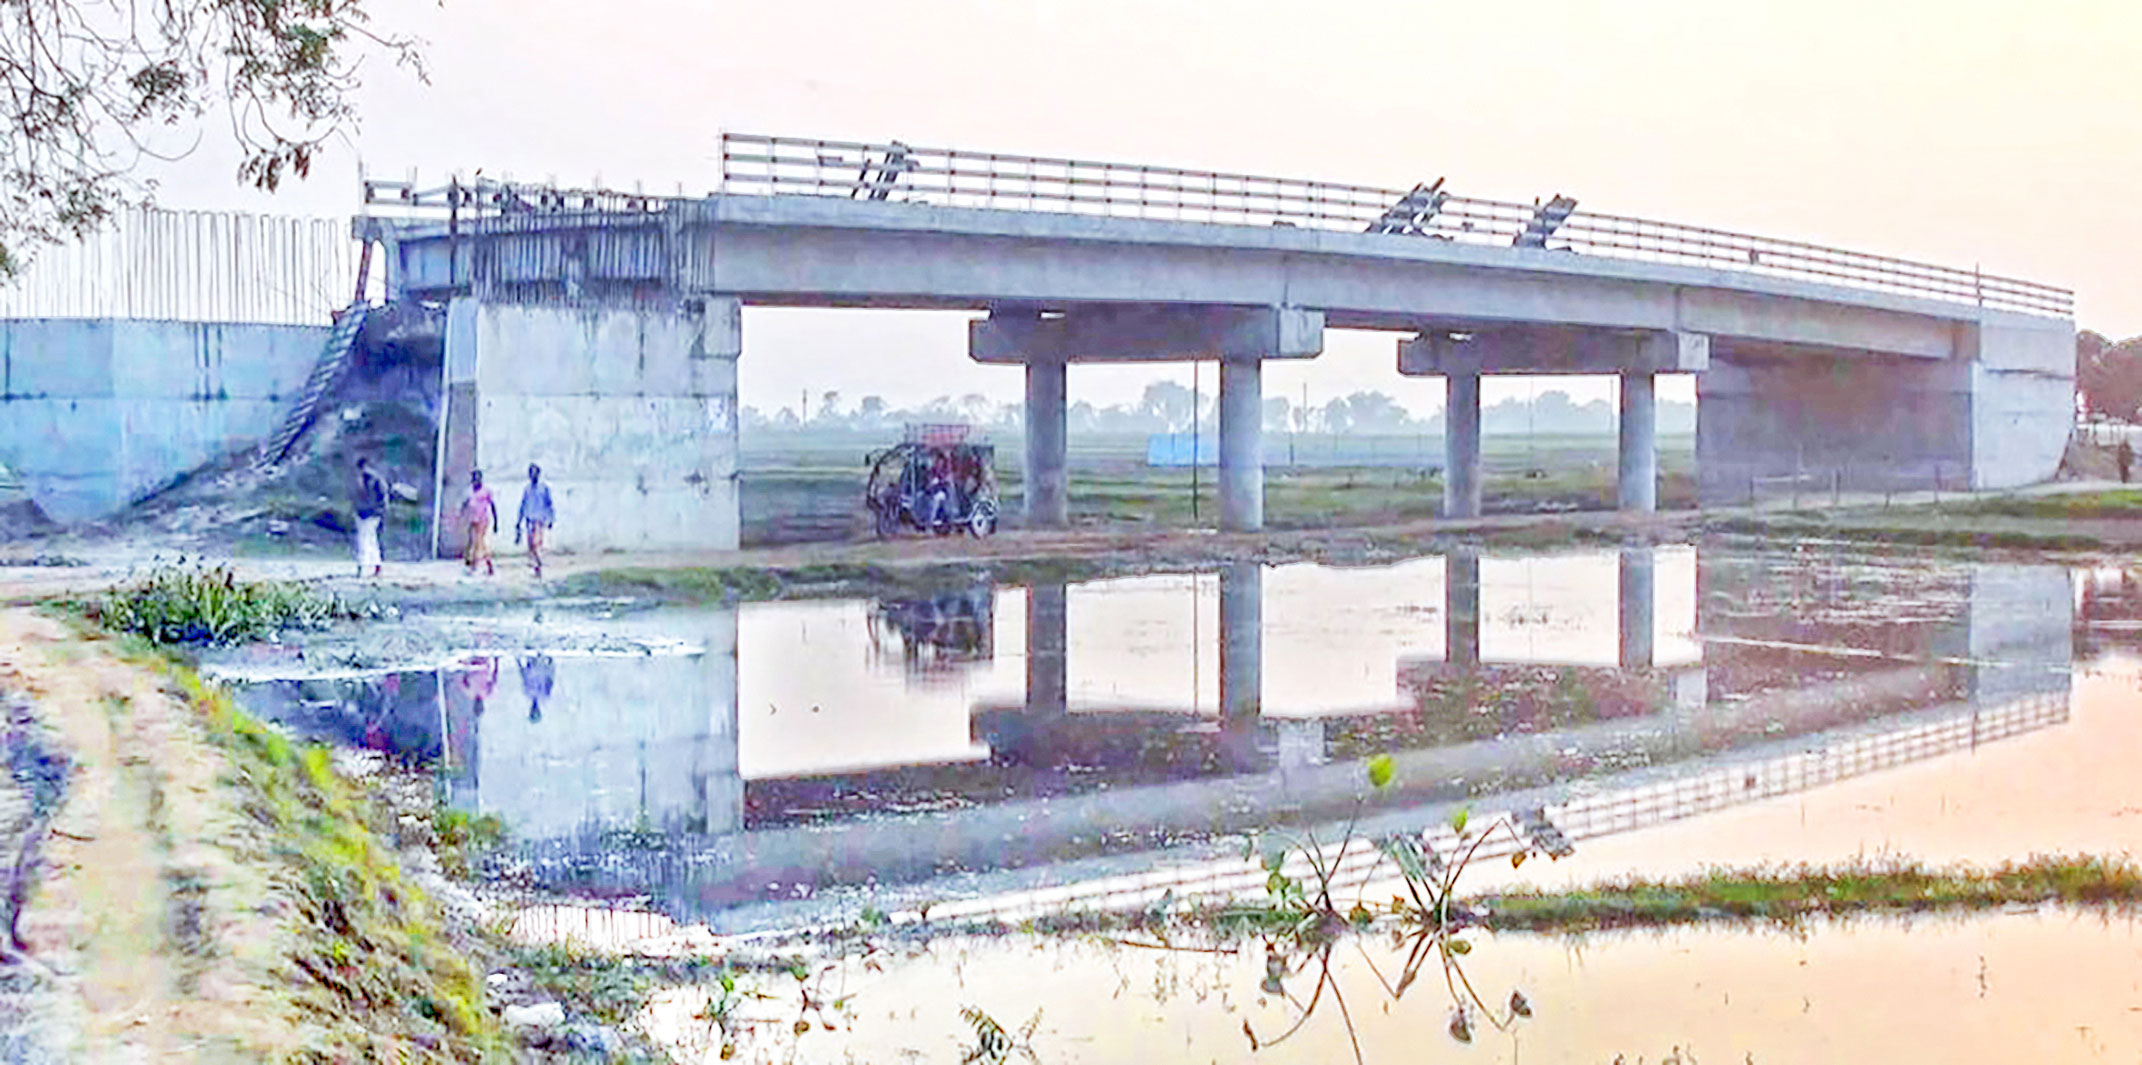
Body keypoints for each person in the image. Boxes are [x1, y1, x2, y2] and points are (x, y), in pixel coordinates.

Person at [514, 463, 555, 579]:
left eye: (534, 473)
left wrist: (551, 519)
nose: (532, 475)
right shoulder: (527, 489)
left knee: (537, 543)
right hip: (529, 520)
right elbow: (523, 505)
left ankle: (538, 566)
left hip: (539, 520)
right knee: (531, 545)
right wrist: (518, 522)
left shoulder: (544, 488)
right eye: (530, 473)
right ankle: (537, 566)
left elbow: (549, 504)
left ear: (538, 474)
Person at [351, 457, 388, 578]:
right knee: (371, 539)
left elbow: (368, 497)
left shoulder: (369, 480)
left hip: (369, 513)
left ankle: (363, 567)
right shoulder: (374, 479)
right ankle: (376, 565)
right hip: (369, 513)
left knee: (363, 540)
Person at [462, 469, 498, 576]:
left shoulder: (486, 491)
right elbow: (465, 503)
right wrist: (461, 514)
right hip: (473, 520)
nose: (475, 481)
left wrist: (496, 522)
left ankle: (484, 564)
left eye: (477, 478)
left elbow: (492, 506)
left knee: (479, 542)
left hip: (483, 520)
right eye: (474, 479)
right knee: (473, 542)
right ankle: (476, 564)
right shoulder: (470, 491)